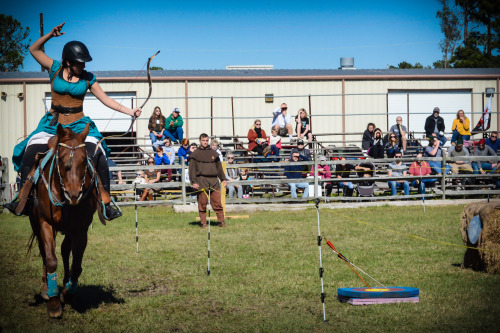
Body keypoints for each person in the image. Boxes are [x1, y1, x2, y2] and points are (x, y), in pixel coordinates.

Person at [7, 22, 141, 219]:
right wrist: (50, 35)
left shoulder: (88, 78)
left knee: (99, 156)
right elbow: (33, 49)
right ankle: (23, 199)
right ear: (68, 62)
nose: (83, 65)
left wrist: (130, 111)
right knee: (30, 153)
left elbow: (106, 99)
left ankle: (106, 202)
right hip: (53, 124)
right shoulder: (54, 68)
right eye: (80, 62)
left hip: (79, 125)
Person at [189, 133, 227, 228]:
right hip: (201, 180)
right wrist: (194, 182)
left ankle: (221, 222)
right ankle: (203, 223)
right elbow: (192, 170)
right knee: (202, 203)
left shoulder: (213, 153)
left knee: (217, 202)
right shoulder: (195, 154)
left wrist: (223, 179)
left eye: (206, 140)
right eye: (203, 140)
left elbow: (219, 168)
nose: (205, 142)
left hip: (214, 180)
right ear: (200, 141)